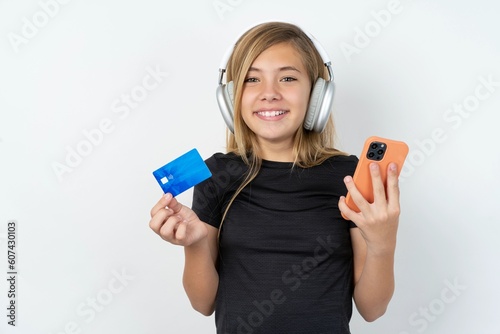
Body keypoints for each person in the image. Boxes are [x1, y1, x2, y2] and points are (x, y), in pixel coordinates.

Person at [149, 22, 400, 334]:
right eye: (252, 79)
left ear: (317, 94)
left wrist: (383, 243)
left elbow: (372, 308)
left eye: (288, 78)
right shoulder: (216, 175)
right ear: (231, 98)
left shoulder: (349, 176)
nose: (269, 93)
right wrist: (196, 242)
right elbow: (203, 303)